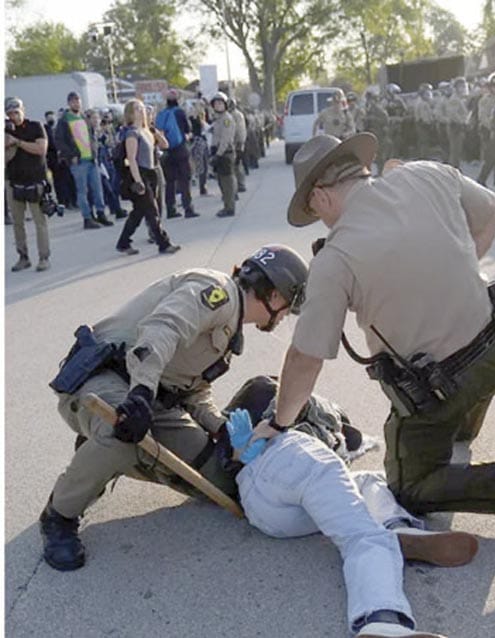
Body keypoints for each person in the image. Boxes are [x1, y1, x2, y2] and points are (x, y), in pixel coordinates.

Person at [276, 133, 495, 549]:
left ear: (322, 197)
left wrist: (278, 425)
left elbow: (306, 359)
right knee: (471, 377)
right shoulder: (426, 173)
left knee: (410, 486)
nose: (321, 219)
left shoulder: (335, 258)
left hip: (445, 384)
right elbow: (491, 215)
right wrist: (455, 274)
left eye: (313, 210)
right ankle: (460, 427)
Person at [39, 245, 308, 571]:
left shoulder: (228, 331)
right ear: (276, 296)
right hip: (103, 379)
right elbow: (160, 331)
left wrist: (218, 427)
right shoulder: (216, 291)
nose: (283, 317)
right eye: (287, 308)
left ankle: (100, 455)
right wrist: (138, 395)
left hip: (150, 399)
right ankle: (60, 513)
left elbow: (193, 391)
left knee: (222, 484)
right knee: (121, 434)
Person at [224, 380, 477, 638]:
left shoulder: (242, 419)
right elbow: (345, 442)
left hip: (263, 511)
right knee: (363, 536)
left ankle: (397, 531)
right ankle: (382, 619)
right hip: (295, 458)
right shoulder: (303, 411)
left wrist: (241, 449)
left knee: (366, 481)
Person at [114, 99, 180, 256]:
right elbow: (132, 159)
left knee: (138, 212)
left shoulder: (146, 131)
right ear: (130, 113)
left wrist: (154, 130)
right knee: (152, 210)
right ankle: (163, 243)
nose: (140, 111)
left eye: (141, 108)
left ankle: (123, 242)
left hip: (151, 172)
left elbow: (165, 145)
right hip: (139, 174)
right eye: (136, 108)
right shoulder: (132, 133)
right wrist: (138, 181)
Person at [4, 97, 51, 272]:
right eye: (10, 114)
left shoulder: (35, 126)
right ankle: (23, 256)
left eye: (16, 112)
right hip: (13, 180)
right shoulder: (5, 131)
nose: (14, 116)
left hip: (35, 179)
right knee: (17, 222)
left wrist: (18, 142)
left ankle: (43, 257)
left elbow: (41, 149)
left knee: (40, 221)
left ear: (23, 110)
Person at [54, 91, 111, 229]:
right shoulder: (64, 121)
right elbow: (60, 141)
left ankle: (101, 213)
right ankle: (87, 217)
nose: (76, 103)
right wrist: (70, 155)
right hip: (78, 161)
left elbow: (92, 137)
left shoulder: (84, 117)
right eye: (73, 101)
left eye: (78, 100)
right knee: (82, 191)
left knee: (97, 189)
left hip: (91, 159)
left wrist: (95, 152)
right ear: (69, 103)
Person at [155, 89, 198, 219]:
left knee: (169, 181)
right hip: (180, 149)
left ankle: (171, 209)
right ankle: (188, 208)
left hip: (166, 151)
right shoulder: (180, 112)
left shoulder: (161, 114)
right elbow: (187, 129)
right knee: (184, 179)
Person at [209, 92, 237, 217]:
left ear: (225, 105)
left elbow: (226, 139)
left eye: (220, 103)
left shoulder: (226, 119)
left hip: (225, 153)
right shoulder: (218, 119)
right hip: (218, 152)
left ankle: (230, 207)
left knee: (227, 182)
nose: (218, 106)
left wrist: (218, 155)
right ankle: (226, 205)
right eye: (216, 103)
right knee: (221, 180)